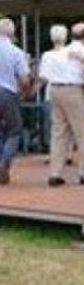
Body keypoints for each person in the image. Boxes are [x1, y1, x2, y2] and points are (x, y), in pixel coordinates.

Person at [48, 22, 84, 186]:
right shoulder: (81, 52)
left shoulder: (61, 51)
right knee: (82, 132)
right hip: (73, 90)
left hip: (55, 89)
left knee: (59, 132)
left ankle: (55, 172)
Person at [0, 18, 31, 184]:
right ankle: (4, 163)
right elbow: (25, 79)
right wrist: (23, 93)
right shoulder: (16, 52)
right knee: (14, 129)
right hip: (7, 93)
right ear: (12, 34)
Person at [38, 24, 75, 160]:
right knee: (69, 123)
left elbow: (43, 77)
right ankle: (69, 153)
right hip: (70, 90)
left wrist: (32, 89)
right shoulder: (70, 54)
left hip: (52, 92)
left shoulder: (47, 55)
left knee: (55, 125)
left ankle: (54, 153)